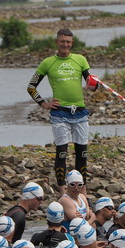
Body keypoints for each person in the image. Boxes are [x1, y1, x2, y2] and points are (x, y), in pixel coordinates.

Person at [27, 28, 98, 193]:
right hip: (59, 114)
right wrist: (43, 104)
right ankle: (63, 190)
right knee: (62, 153)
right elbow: (31, 87)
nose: (65, 44)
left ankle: (83, 190)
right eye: (62, 41)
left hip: (80, 112)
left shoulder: (80, 60)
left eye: (68, 42)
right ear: (56, 42)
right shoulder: (48, 63)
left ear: (72, 43)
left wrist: (93, 84)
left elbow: (92, 85)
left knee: (82, 153)